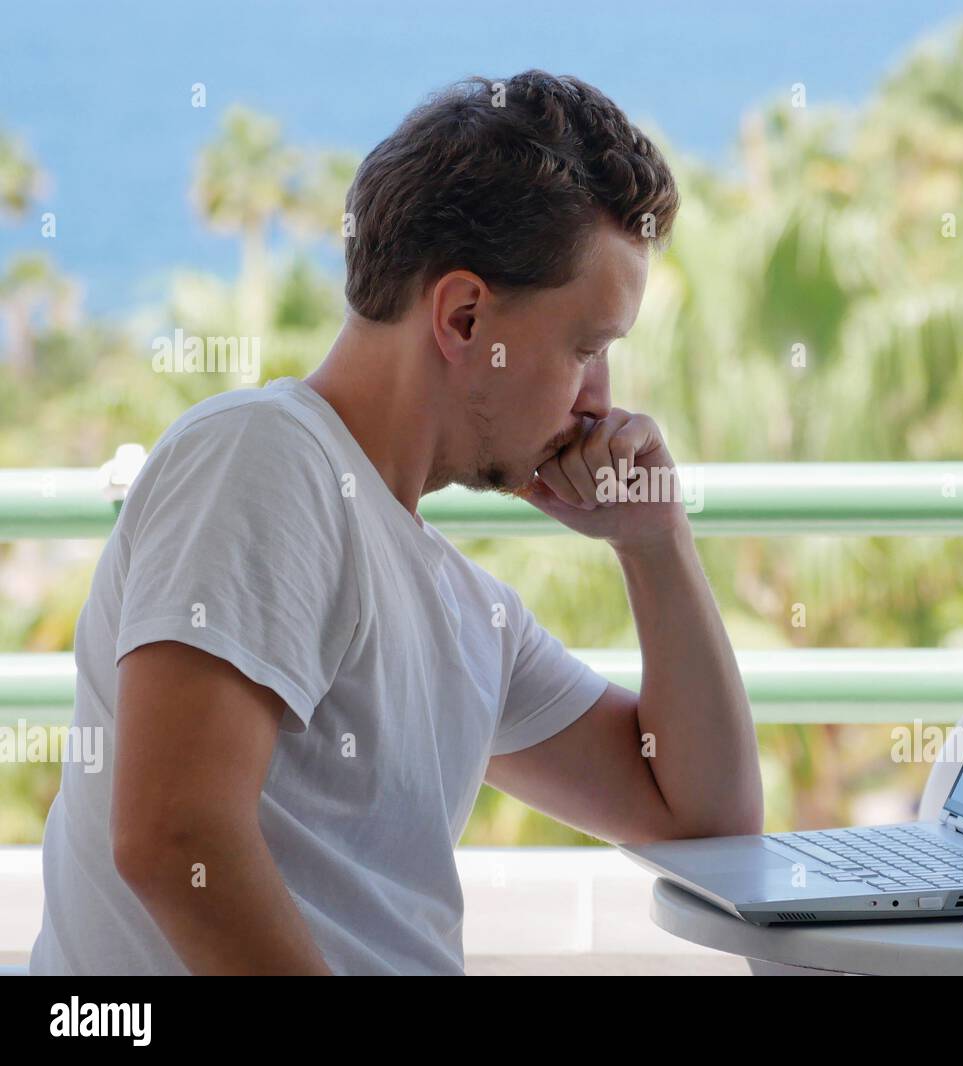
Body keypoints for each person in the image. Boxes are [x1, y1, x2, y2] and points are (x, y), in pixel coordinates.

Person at [29, 70, 763, 975]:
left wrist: (656, 545)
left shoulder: (462, 605)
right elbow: (173, 838)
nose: (601, 399)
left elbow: (704, 820)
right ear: (463, 317)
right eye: (586, 348)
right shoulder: (263, 460)